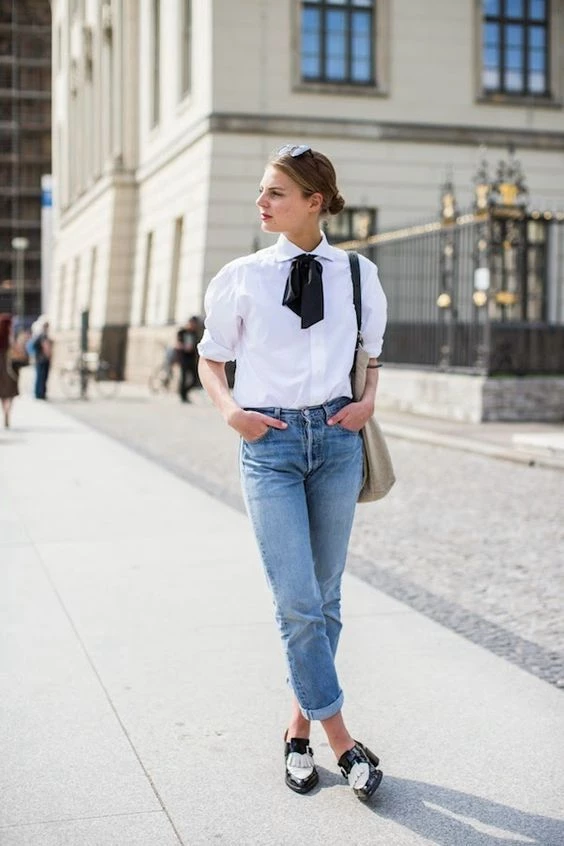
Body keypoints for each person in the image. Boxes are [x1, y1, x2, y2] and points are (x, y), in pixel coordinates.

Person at [198, 144, 388, 801]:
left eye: (275, 192)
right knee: (295, 600)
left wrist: (366, 403)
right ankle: (345, 743)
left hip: (336, 442)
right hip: (270, 444)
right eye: (261, 191)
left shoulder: (358, 275)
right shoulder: (242, 277)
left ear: (315, 201)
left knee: (325, 599)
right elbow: (211, 359)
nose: (261, 203)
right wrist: (231, 413)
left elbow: (371, 355)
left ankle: (296, 733)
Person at [175, 316, 201, 402]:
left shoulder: (194, 333)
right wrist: (184, 347)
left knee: (195, 379)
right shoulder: (182, 332)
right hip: (183, 358)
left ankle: (184, 392)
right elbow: (177, 344)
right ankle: (183, 396)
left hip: (191, 358)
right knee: (184, 377)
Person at [0, 314, 19, 428]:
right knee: (10, 393)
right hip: (9, 369)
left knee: (2, 395)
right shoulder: (9, 338)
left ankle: (4, 412)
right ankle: (7, 413)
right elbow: (16, 351)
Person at [33, 318, 53, 400]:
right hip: (42, 359)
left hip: (39, 359)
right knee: (42, 377)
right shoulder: (43, 335)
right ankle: (40, 394)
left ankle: (39, 393)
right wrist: (48, 356)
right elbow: (45, 347)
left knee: (40, 377)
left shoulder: (39, 335)